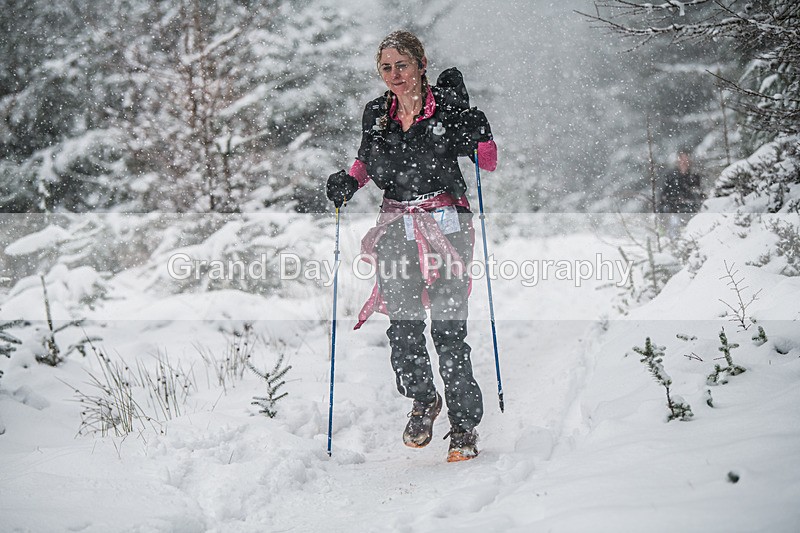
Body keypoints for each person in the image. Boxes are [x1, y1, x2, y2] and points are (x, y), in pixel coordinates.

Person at [325, 30, 498, 462]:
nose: (394, 75)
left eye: (402, 65)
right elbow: (365, 161)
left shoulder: (448, 108)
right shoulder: (377, 114)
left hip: (447, 225)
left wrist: (480, 130)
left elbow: (487, 162)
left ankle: (463, 427)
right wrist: (349, 180)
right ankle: (424, 401)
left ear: (422, 64)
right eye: (386, 67)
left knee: (448, 329)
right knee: (402, 325)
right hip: (397, 224)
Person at [659, 149, 703, 235]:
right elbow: (663, 195)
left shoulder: (694, 176)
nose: (684, 162)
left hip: (689, 209)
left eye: (686, 159)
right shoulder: (671, 175)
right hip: (673, 209)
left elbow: (697, 194)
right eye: (682, 159)